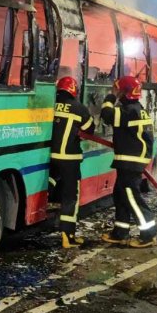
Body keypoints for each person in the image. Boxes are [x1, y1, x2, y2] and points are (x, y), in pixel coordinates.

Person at [99, 75, 157, 248]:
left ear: (124, 92)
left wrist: (110, 97)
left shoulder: (129, 111)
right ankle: (120, 232)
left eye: (117, 89)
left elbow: (106, 115)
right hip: (129, 162)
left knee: (132, 198)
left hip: (130, 163)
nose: (115, 91)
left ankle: (148, 234)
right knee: (121, 196)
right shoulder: (136, 108)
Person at [50, 76, 95, 248]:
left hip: (51, 156)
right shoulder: (79, 108)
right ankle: (67, 234)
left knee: (50, 180)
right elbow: (89, 129)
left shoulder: (51, 104)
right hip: (70, 158)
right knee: (70, 196)